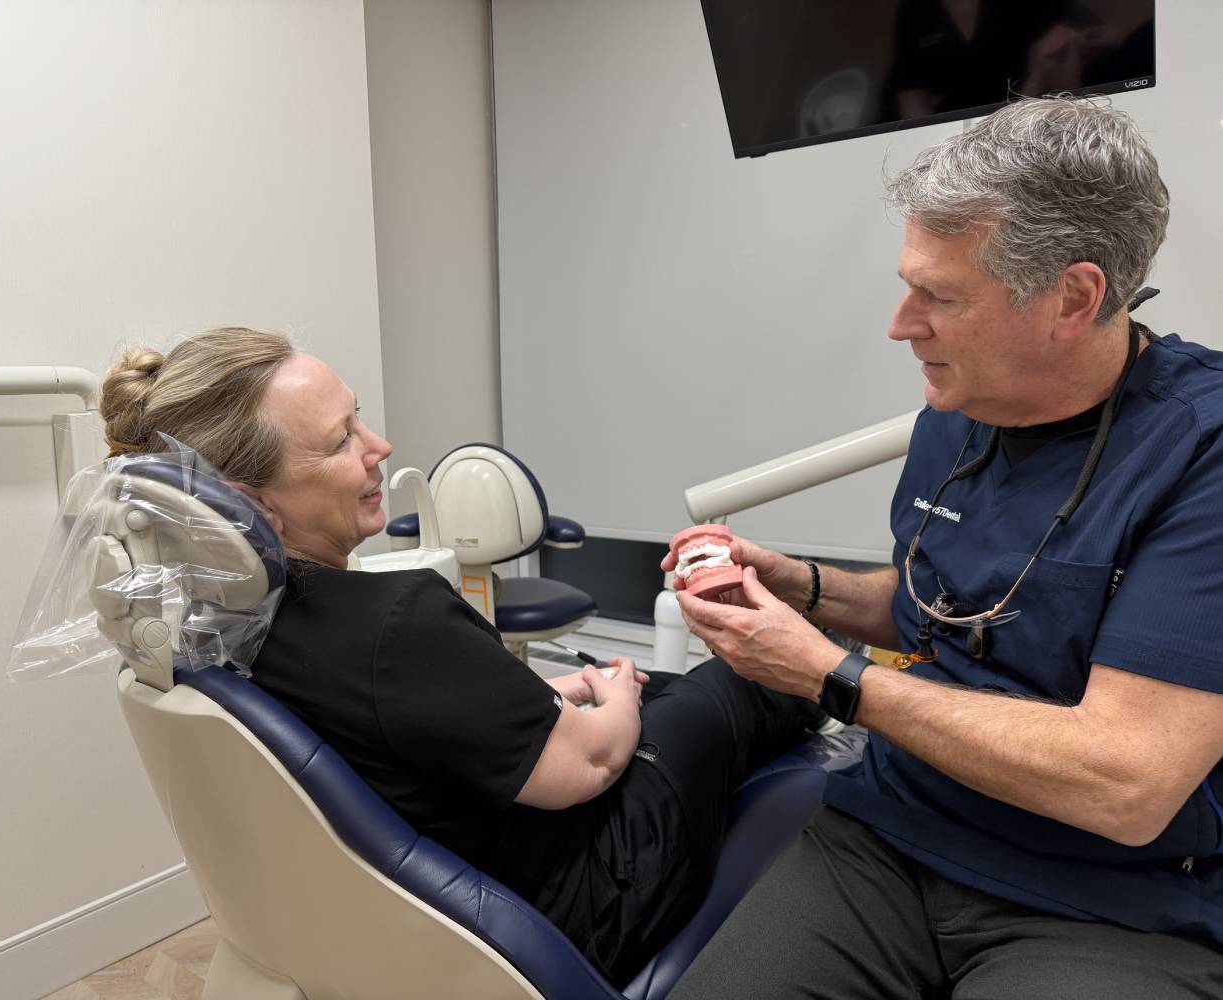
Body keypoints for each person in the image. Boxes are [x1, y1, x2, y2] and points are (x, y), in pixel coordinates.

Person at [664, 97, 1223, 998]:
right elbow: (946, 606)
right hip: (894, 832)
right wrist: (802, 586)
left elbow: (1126, 782)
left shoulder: (1199, 453)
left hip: (1107, 901)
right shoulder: (959, 410)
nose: (901, 323)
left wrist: (826, 675)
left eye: (942, 296)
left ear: (1072, 298)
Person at [97, 327, 820, 985]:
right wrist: (622, 697)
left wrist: (553, 699)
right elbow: (591, 764)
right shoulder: (393, 622)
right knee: (729, 683)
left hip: (435, 901)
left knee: (656, 690)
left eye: (359, 419)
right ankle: (844, 713)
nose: (380, 446)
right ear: (250, 504)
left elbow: (401, 731)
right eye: (342, 440)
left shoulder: (215, 634)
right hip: (585, 902)